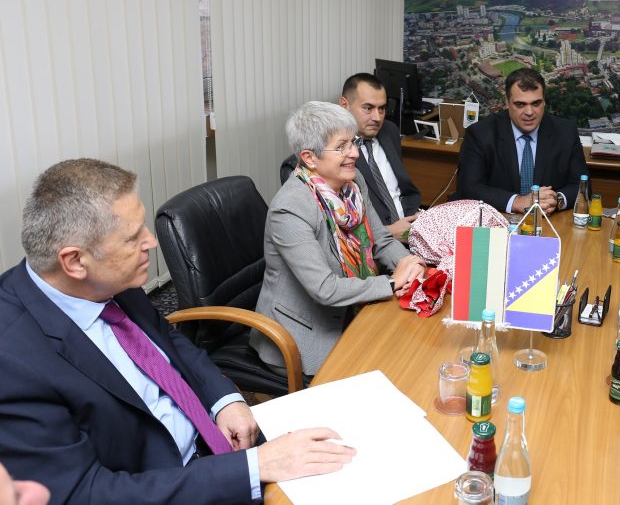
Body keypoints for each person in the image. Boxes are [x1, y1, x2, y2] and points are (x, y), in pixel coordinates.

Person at [0, 159, 355, 504]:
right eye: (132, 238)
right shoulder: (13, 362)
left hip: (217, 444)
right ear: (75, 261)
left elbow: (168, 342)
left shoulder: (106, 280)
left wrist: (225, 400)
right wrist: (253, 467)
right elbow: (85, 493)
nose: (151, 242)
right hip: (166, 485)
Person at [251, 101, 426, 376]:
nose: (354, 153)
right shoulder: (291, 208)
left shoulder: (353, 183)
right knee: (394, 371)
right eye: (341, 146)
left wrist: (410, 265)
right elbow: (325, 288)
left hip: (354, 310)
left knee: (414, 350)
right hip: (303, 335)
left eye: (353, 142)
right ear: (309, 158)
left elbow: (380, 240)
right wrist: (393, 282)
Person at [456, 67, 588, 216]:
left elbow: (583, 186)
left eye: (536, 103)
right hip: (498, 219)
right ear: (507, 102)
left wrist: (556, 200)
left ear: (544, 101)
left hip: (548, 220)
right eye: (520, 104)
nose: (529, 112)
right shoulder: (480, 134)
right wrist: (518, 202)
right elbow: (469, 188)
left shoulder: (566, 132)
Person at [338, 73, 422, 241]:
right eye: (368, 108)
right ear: (344, 105)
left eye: (382, 109)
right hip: (372, 243)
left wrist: (415, 218)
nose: (377, 118)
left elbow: (403, 189)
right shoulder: (334, 149)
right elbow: (337, 224)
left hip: (411, 231)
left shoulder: (389, 131)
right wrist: (388, 232)